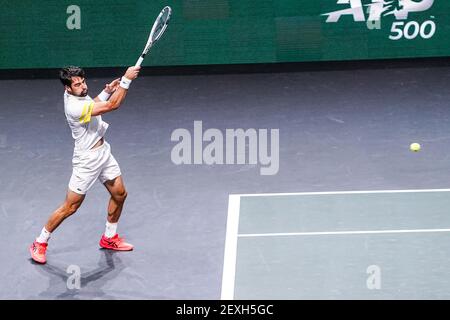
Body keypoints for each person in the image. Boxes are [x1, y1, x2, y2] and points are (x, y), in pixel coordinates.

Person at [30, 65, 140, 264]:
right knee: (70, 207)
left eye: (83, 81)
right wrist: (126, 80)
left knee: (120, 194)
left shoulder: (81, 96)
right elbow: (111, 107)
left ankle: (109, 237)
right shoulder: (73, 106)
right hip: (86, 161)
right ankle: (40, 242)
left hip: (103, 153)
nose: (82, 86)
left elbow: (96, 104)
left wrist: (107, 91)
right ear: (67, 89)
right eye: (77, 85)